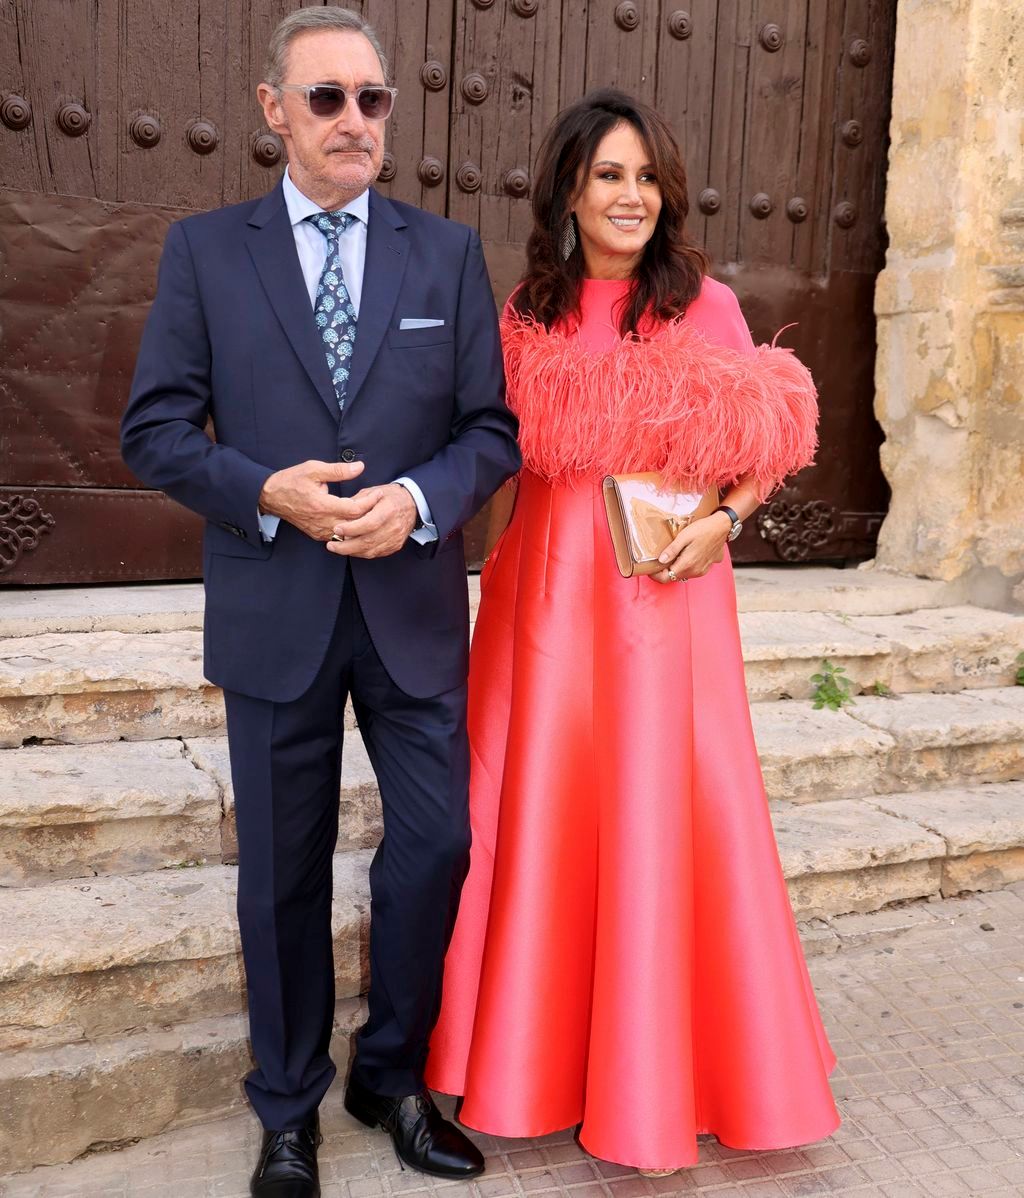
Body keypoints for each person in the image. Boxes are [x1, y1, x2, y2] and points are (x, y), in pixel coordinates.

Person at [120, 7, 520, 1195]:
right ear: (273, 110)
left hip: (408, 606)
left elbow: (487, 431)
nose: (354, 120)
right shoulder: (205, 250)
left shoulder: (444, 254)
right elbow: (153, 429)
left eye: (372, 99)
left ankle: (389, 1075)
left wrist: (417, 498)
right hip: (275, 606)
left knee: (437, 842)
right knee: (282, 871)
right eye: (328, 97)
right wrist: (263, 491)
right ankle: (285, 1106)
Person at [425, 89, 840, 1176]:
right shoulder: (527, 309)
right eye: (609, 174)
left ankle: (660, 1077)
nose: (630, 196)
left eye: (646, 177)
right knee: (536, 820)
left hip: (664, 599)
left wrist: (725, 526)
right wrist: (483, 598)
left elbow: (765, 440)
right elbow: (505, 469)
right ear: (569, 185)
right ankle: (520, 1059)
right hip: (542, 603)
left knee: (661, 821)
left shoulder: (701, 307)